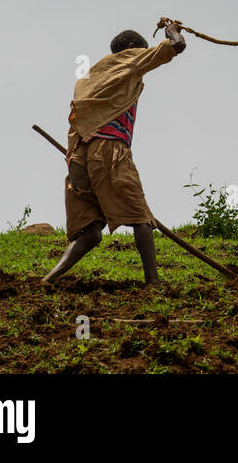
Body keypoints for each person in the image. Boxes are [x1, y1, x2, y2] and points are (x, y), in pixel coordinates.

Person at [43, 20, 186, 285]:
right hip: (108, 150)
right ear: (132, 48)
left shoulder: (90, 76)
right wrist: (172, 28)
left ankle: (50, 278)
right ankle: (153, 284)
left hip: (78, 157)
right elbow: (177, 46)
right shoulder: (129, 59)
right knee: (141, 217)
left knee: (90, 231)